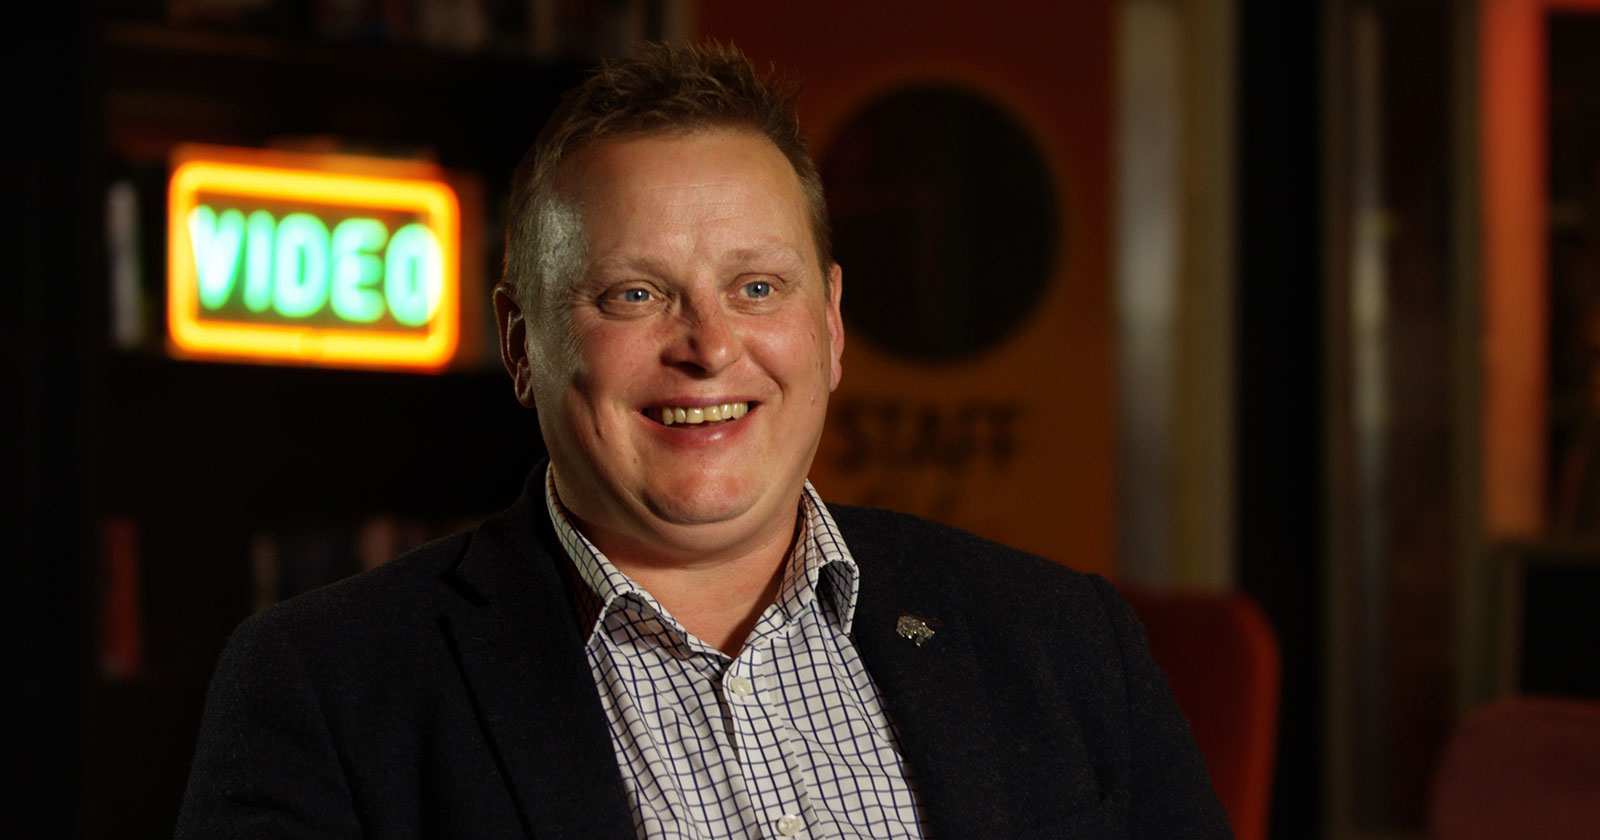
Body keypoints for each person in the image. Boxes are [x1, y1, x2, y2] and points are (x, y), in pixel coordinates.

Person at [175, 42, 1231, 839]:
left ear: (827, 324)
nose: (709, 346)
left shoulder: (1064, 642)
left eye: (755, 287)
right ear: (521, 343)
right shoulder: (326, 685)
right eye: (635, 294)